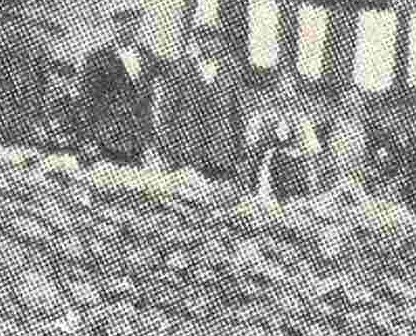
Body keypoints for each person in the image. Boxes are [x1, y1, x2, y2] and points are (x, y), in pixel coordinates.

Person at [0, 2, 63, 148]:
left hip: (11, 78)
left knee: (13, 96)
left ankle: (9, 131)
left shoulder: (35, 44)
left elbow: (34, 76)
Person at [78, 3, 164, 166]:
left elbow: (148, 101)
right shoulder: (97, 59)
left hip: (136, 143)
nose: (127, 27)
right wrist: (89, 140)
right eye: (122, 21)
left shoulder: (149, 59)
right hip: (104, 140)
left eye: (132, 22)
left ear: (138, 25)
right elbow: (86, 102)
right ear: (114, 25)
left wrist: (149, 139)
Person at [159, 21, 247, 180]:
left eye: (214, 38)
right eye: (202, 37)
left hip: (218, 152)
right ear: (196, 40)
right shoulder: (181, 68)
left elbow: (238, 115)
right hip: (185, 148)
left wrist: (238, 151)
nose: (208, 43)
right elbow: (166, 111)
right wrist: (167, 147)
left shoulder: (232, 71)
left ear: (222, 42)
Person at [243, 68, 321, 203]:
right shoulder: (263, 115)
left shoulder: (299, 119)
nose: (284, 101)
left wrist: (295, 150)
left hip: (289, 166)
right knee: (265, 161)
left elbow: (311, 147)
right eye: (280, 94)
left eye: (288, 96)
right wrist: (261, 143)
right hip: (264, 162)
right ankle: (258, 194)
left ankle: (290, 197)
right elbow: (251, 139)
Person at [320, 84, 371, 202]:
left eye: (356, 101)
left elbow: (360, 154)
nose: (352, 105)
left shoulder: (360, 127)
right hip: (336, 169)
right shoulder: (337, 123)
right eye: (348, 101)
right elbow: (332, 148)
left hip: (352, 171)